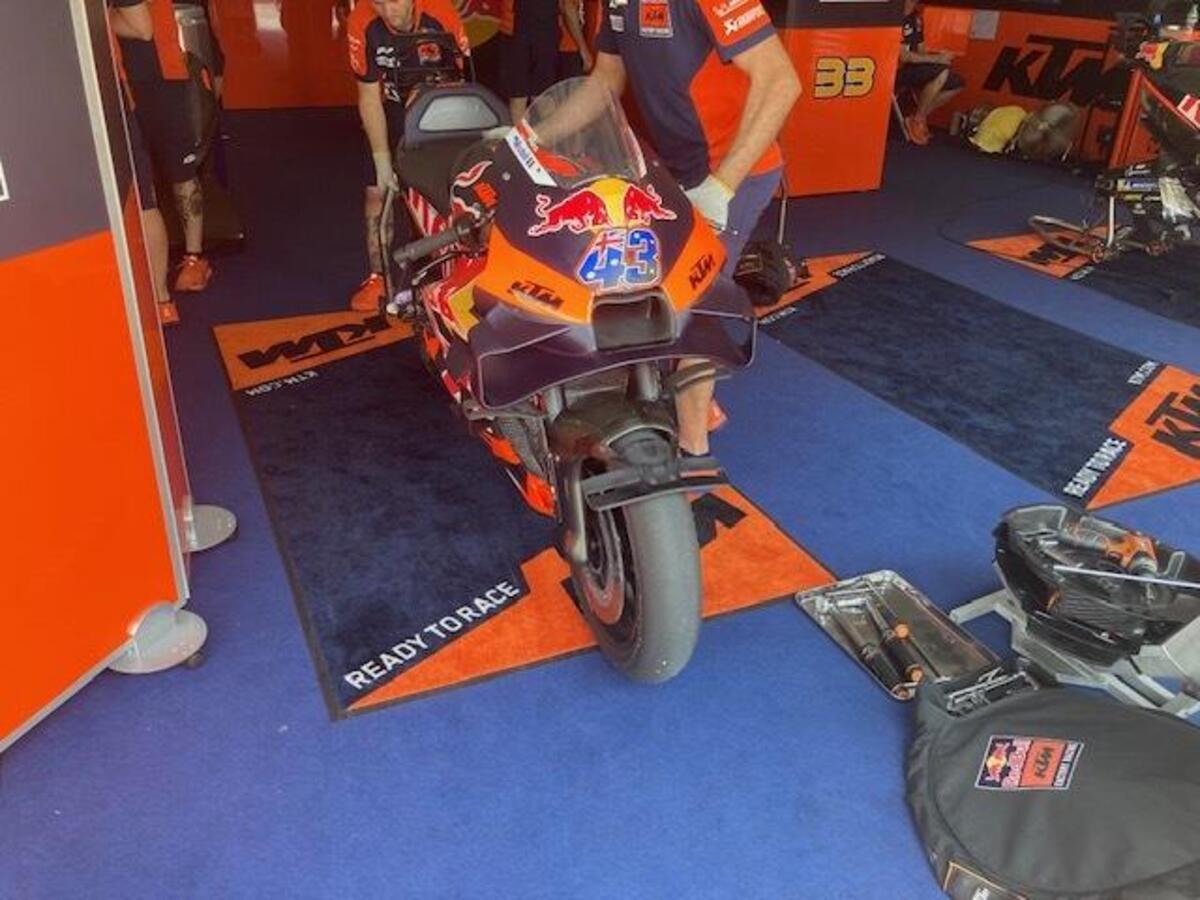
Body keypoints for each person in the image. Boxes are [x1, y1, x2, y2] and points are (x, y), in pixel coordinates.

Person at [570, 0, 802, 456]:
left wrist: (722, 186)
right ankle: (695, 399)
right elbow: (604, 80)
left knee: (695, 300)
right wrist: (531, 137)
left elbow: (781, 81)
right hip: (677, 172)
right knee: (651, 284)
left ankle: (694, 450)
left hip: (736, 173)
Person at [347, 0, 470, 312]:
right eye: (379, 3)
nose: (389, 11)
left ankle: (449, 270)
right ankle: (378, 277)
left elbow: (464, 81)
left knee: (444, 191)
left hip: (438, 112)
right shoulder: (361, 20)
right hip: (390, 111)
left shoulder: (441, 13)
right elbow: (368, 96)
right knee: (376, 194)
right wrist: (381, 159)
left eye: (395, 1)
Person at [117, 0, 214, 292]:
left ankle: (193, 258)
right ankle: (158, 268)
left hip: (162, 74)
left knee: (180, 171)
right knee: (141, 176)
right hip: (124, 78)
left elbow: (142, 29)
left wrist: (98, 20)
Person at [107, 0, 173, 308]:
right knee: (141, 199)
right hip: (99, 92)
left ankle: (158, 299)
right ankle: (159, 301)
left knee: (139, 198)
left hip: (99, 94)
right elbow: (141, 27)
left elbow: (143, 28)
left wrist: (97, 21)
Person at [498, 0, 588, 123]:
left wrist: (582, 47)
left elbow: (566, 6)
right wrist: (583, 48)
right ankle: (530, 134)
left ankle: (546, 134)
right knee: (525, 96)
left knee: (539, 95)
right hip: (518, 27)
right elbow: (566, 6)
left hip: (543, 27)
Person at [897, 0, 964, 145]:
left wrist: (940, 57)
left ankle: (917, 116)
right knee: (941, 73)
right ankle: (918, 119)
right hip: (893, 72)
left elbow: (921, 51)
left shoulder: (916, 18)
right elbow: (903, 56)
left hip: (912, 68)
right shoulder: (894, 16)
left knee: (958, 83)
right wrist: (936, 59)